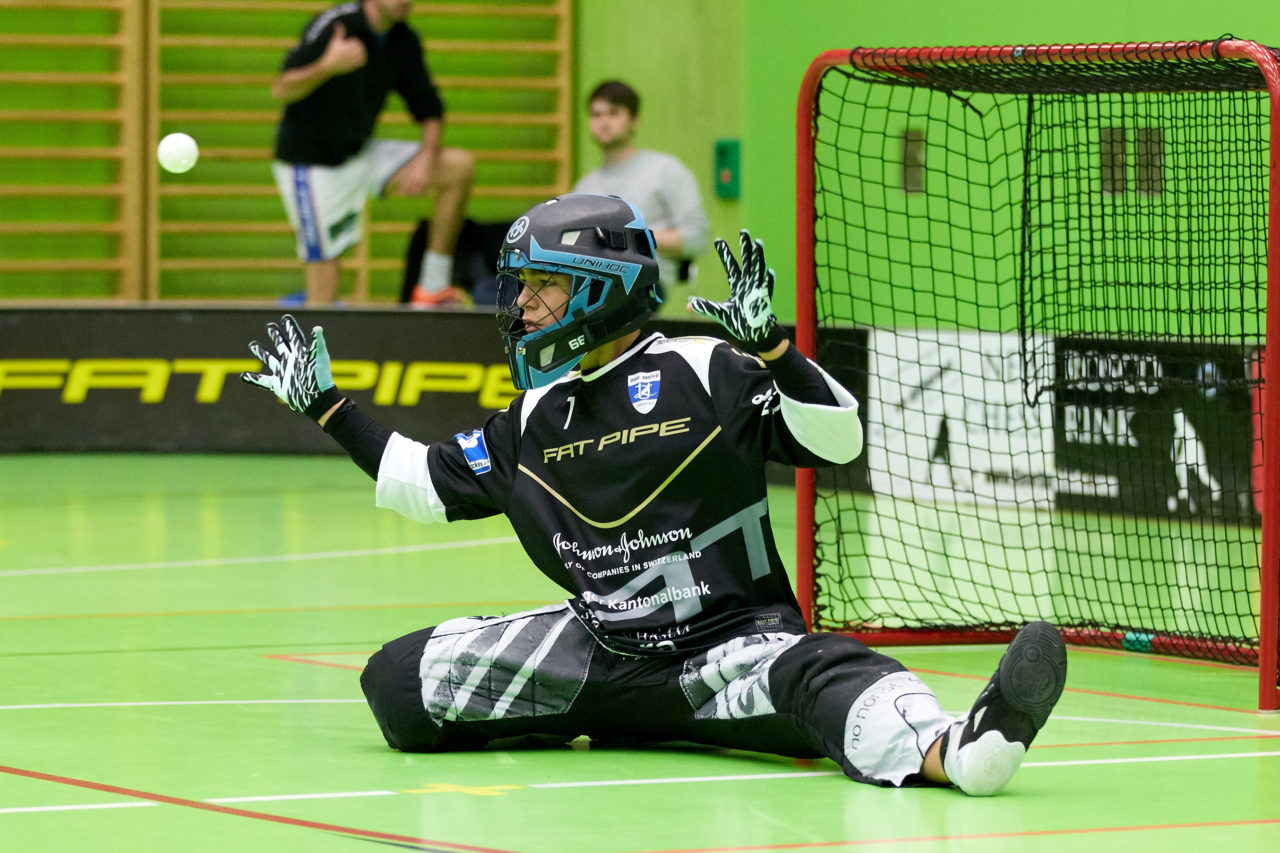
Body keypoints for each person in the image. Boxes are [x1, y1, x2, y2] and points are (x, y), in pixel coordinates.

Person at [241, 193, 1067, 796]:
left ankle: (961, 749)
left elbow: (837, 439)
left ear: (598, 286)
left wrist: (774, 351)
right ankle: (602, 712)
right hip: (597, 651)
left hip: (727, 650)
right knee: (398, 681)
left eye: (540, 285)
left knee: (823, 669)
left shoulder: (706, 369)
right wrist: (329, 407)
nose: (521, 305)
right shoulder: (533, 414)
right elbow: (422, 483)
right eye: (520, 286)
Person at [270, 0, 475, 308]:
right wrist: (327, 66)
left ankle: (432, 287)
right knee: (324, 299)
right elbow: (282, 89)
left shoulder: (403, 39)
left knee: (458, 168)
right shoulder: (335, 25)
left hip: (359, 153)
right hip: (311, 165)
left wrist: (426, 158)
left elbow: (429, 108)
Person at [573, 80, 711, 296]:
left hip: (648, 284)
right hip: (592, 284)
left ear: (634, 121)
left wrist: (629, 238)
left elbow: (697, 238)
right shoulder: (585, 187)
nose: (604, 122)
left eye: (614, 113)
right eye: (596, 115)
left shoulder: (665, 170)